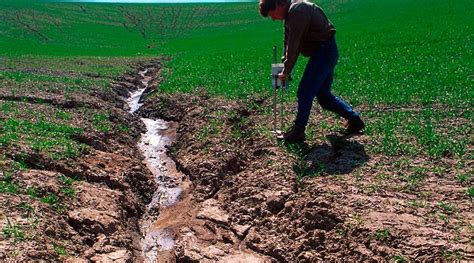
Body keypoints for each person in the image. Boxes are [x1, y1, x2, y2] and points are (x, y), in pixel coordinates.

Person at [259, 0, 365, 143]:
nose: (273, 19)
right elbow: (287, 43)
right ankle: (354, 120)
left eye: (273, 15)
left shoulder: (297, 11)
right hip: (324, 52)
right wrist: (282, 68)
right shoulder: (290, 15)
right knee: (324, 96)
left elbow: (294, 45)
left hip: (324, 51)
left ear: (279, 5)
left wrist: (286, 71)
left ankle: (298, 131)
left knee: (305, 91)